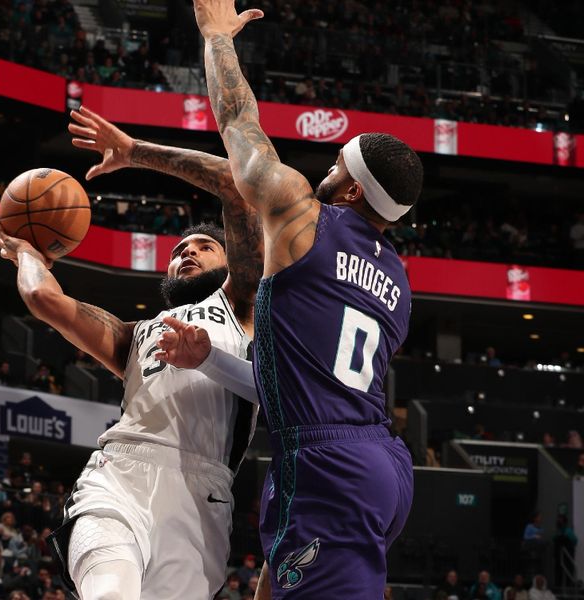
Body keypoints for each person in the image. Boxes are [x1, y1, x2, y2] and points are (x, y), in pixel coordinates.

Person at [156, 5, 422, 596]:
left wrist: (218, 37)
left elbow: (237, 122)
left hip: (328, 464)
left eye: (337, 164)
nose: (325, 171)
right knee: (277, 585)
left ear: (351, 188)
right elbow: (305, 371)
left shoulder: (302, 214)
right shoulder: (399, 284)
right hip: (381, 462)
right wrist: (212, 359)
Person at [0, 105, 263, 600]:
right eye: (180, 248)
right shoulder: (132, 335)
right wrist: (27, 252)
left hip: (202, 500)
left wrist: (136, 152)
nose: (187, 251)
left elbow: (232, 181)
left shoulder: (244, 305)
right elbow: (42, 298)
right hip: (120, 475)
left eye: (204, 246)